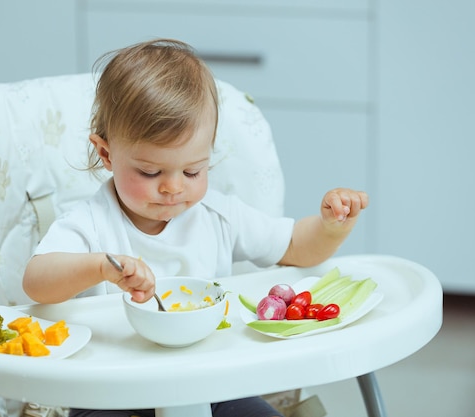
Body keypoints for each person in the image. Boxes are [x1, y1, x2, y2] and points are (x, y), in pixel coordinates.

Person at [23, 39, 369, 417]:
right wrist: (100, 267)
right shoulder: (90, 223)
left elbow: (296, 247)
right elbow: (36, 281)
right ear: (106, 154)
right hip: (111, 389)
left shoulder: (218, 216)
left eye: (192, 171)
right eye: (150, 172)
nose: (174, 187)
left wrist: (331, 226)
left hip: (212, 383)